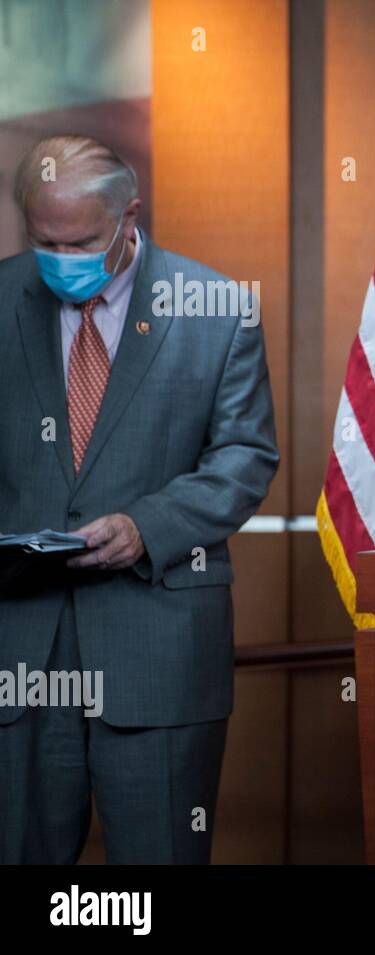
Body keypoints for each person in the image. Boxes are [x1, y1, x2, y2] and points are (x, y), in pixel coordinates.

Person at [0, 135, 279, 863]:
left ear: (129, 216)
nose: (60, 259)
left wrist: (147, 526)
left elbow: (246, 457)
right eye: (43, 241)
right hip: (19, 652)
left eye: (81, 240)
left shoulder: (215, 310)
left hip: (158, 650)